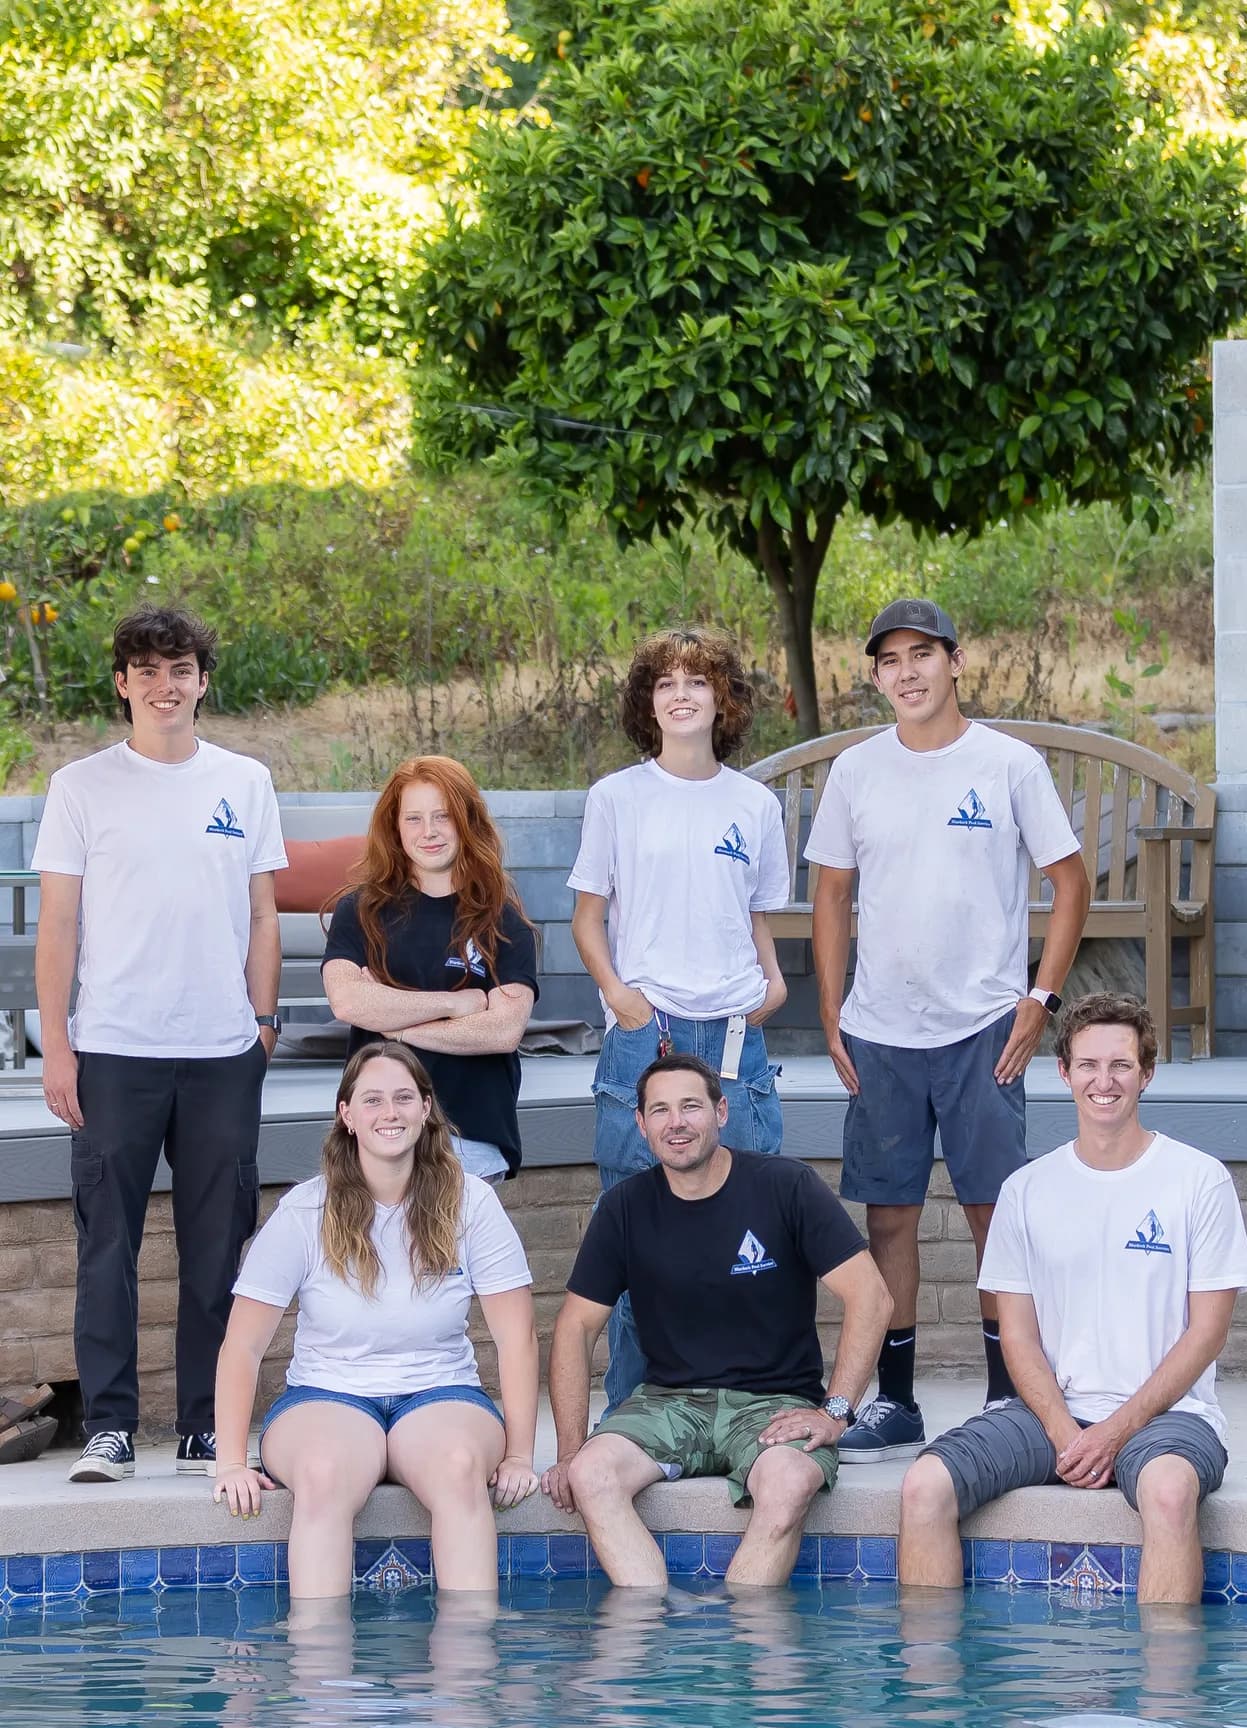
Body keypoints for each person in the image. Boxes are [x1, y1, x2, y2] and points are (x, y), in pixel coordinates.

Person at [805, 596, 1090, 1460]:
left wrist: (1039, 998)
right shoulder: (857, 771)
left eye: (921, 654)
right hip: (882, 1031)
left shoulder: (1007, 765)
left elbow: (1068, 883)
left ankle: (1010, 1398)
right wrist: (828, 1006)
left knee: (992, 1218)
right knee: (887, 1219)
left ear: (955, 661)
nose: (907, 672)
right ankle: (896, 1403)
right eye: (889, 661)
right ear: (878, 677)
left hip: (983, 1028)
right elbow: (831, 893)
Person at [33, 602, 287, 1483]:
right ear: (121, 684)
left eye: (179, 669)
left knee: (217, 1246)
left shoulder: (245, 781)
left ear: (202, 681)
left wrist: (262, 1024)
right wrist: (57, 1049)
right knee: (108, 1242)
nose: (163, 685)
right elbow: (57, 927)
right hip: (113, 1047)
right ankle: (108, 1427)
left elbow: (262, 915)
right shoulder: (81, 787)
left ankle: (203, 1428)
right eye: (145, 670)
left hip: (223, 1053)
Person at [898, 995, 1247, 1606]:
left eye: (1120, 1065)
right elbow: (1017, 1336)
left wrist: (1116, 1430)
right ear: (1064, 1074)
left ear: (1147, 1072)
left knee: (1169, 1493)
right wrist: (1067, 1432)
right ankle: (934, 1693)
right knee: (923, 1486)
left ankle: (1165, 1699)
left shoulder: (1198, 1179)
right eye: (1088, 1065)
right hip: (1049, 1414)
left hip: (1171, 1418)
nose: (1104, 1081)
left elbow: (1207, 1334)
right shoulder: (1026, 1190)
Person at [540, 1053, 892, 1588]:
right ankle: (649, 1642)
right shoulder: (623, 1207)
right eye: (659, 1110)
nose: (675, 1123)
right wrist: (569, 1450)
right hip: (669, 1403)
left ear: (721, 1112)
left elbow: (872, 1296)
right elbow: (575, 1327)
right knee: (591, 1473)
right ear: (640, 1124)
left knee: (791, 1480)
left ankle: (741, 1650)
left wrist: (836, 1412)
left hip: (774, 1404)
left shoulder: (785, 1186)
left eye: (690, 1106)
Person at [212, 1042, 540, 1596]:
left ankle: (466, 1670)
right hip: (326, 1396)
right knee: (323, 1472)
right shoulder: (305, 1211)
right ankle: (322, 1672)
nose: (390, 1113)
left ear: (426, 1108)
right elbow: (242, 1345)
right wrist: (228, 1463)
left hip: (442, 1393)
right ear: (347, 1115)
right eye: (373, 1100)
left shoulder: (473, 1203)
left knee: (461, 1467)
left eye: (404, 1098)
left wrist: (520, 1455)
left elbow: (517, 1336)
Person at [569, 626, 791, 1410]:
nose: (682, 693)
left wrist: (772, 986)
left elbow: (758, 915)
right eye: (665, 682)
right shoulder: (617, 798)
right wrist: (625, 1002)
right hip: (647, 1034)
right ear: (647, 703)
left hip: (735, 1036)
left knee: (751, 1229)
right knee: (637, 1235)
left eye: (698, 680)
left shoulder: (756, 806)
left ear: (723, 698)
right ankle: (634, 1412)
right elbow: (588, 918)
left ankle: (753, 1400)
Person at [321, 755, 538, 1182]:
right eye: (414, 819)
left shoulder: (502, 921)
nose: (429, 832)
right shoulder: (360, 910)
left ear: (467, 821)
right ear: (396, 828)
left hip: (469, 1137)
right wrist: (456, 1004)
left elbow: (502, 1030)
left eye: (443, 816)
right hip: (379, 1132)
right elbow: (348, 1000)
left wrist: (395, 1026)